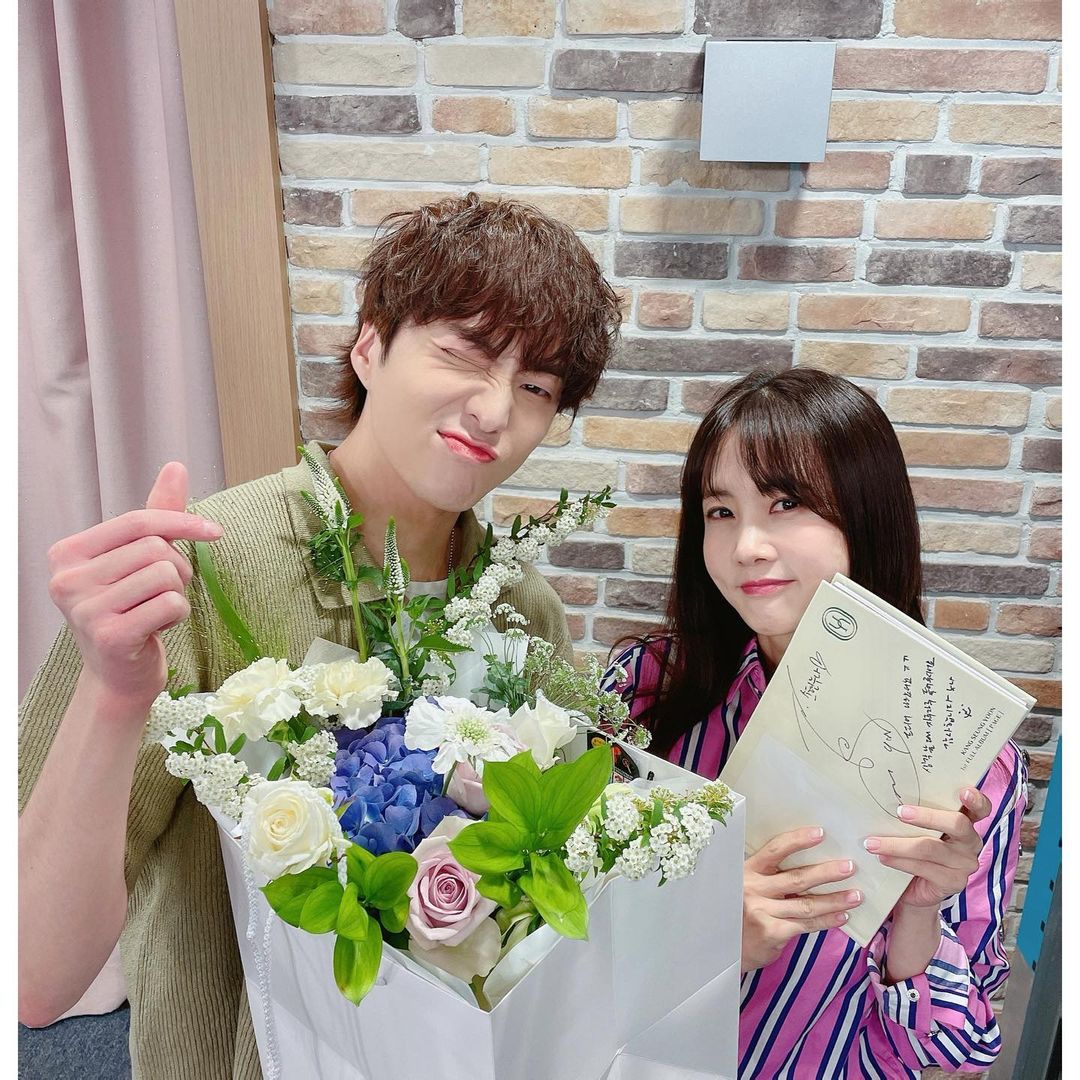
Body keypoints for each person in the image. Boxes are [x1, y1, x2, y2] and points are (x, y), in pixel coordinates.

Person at [19, 194, 622, 1078]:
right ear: (370, 345)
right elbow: (33, 975)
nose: (495, 410)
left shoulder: (523, 610)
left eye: (537, 388)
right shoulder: (200, 571)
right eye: (463, 351)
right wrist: (114, 693)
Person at [604, 367, 1027, 1078]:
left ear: (865, 513)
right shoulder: (647, 687)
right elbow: (551, 925)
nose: (746, 546)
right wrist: (701, 937)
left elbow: (956, 1050)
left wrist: (917, 912)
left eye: (786, 502)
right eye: (720, 511)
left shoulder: (974, 762)